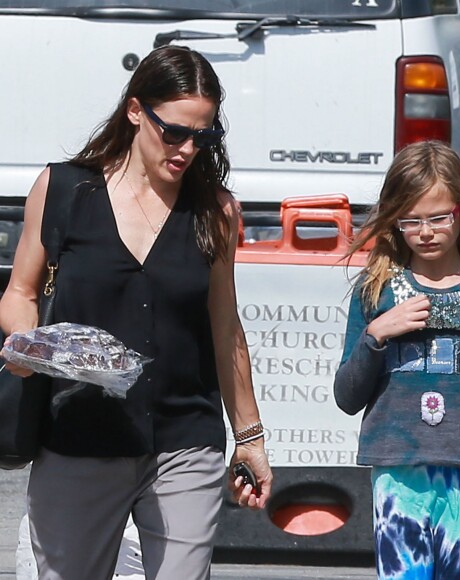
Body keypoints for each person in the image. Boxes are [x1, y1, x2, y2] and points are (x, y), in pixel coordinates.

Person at [0, 45, 272, 580]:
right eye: (174, 132)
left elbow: (225, 328)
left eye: (204, 136)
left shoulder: (216, 211)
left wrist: (250, 438)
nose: (188, 149)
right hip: (78, 436)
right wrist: (25, 342)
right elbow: (20, 292)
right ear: (134, 111)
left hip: (184, 441)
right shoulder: (63, 190)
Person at [334, 141, 460, 579]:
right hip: (397, 476)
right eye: (411, 220)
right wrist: (377, 334)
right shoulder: (375, 291)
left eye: (438, 217)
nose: (425, 231)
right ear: (395, 221)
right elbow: (347, 396)